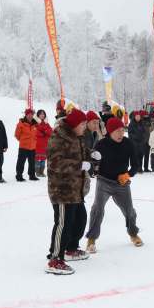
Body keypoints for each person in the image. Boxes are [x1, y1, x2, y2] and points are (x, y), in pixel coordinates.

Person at [84, 116, 142, 253]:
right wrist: (93, 169)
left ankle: (133, 233)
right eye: (117, 131)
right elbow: (92, 161)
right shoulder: (101, 144)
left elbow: (135, 164)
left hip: (122, 183)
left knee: (129, 210)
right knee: (97, 209)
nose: (121, 133)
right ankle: (91, 240)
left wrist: (128, 174)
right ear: (110, 132)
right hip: (104, 181)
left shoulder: (128, 144)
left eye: (123, 130)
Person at [46, 107, 91, 274]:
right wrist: (79, 165)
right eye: (83, 124)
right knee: (63, 224)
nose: (85, 127)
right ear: (75, 124)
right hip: (62, 189)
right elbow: (54, 163)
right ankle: (55, 258)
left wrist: (91, 155)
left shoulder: (77, 136)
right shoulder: (59, 137)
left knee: (80, 219)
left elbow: (82, 154)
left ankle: (70, 248)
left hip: (76, 188)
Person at [14, 109, 39, 182]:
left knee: (32, 162)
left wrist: (34, 141)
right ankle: (19, 176)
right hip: (23, 147)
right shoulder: (21, 123)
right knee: (21, 162)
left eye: (31, 114)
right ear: (26, 115)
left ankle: (32, 175)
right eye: (28, 114)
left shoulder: (35, 124)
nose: (30, 116)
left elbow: (36, 135)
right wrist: (23, 140)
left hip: (32, 147)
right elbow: (17, 135)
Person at [34, 109, 52, 178]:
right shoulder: (35, 123)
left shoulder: (46, 123)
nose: (42, 115)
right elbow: (35, 131)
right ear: (38, 115)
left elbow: (50, 131)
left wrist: (44, 132)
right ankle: (37, 172)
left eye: (43, 114)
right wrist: (43, 133)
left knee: (43, 159)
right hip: (37, 144)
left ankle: (42, 172)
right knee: (37, 159)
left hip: (45, 144)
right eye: (41, 114)